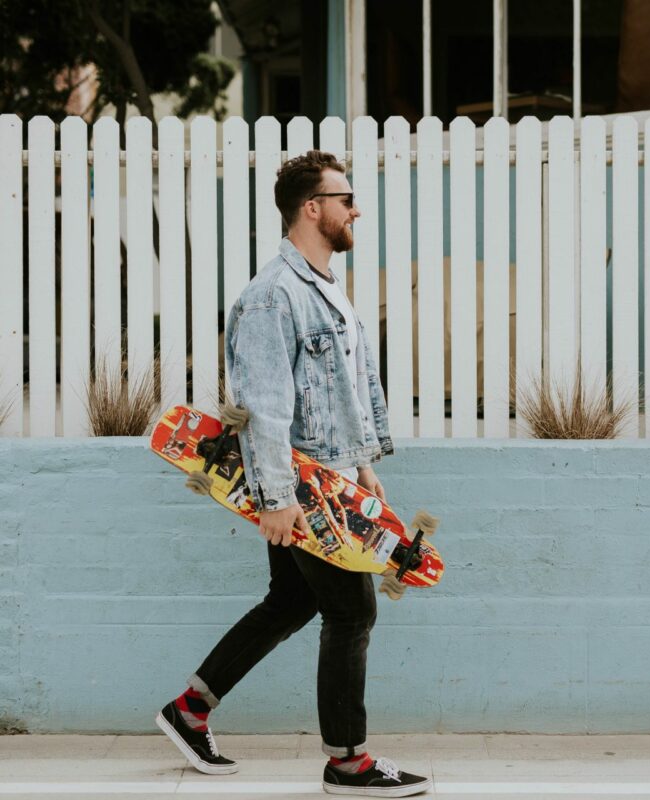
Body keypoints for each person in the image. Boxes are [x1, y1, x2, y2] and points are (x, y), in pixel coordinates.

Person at [156, 151, 431, 797]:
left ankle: (190, 709)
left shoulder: (325, 286)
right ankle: (348, 762)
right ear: (313, 208)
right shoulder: (270, 297)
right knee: (351, 613)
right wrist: (276, 499)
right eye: (346, 197)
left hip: (333, 480)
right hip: (301, 490)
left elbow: (347, 389)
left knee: (293, 599)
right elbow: (262, 410)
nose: (355, 208)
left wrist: (363, 464)